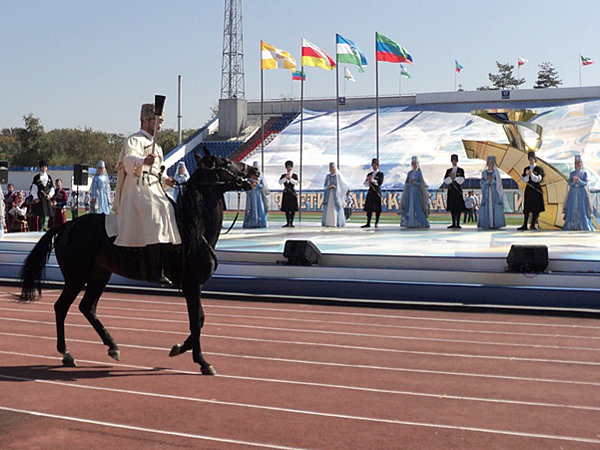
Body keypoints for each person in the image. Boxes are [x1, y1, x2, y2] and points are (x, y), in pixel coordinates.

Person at [107, 102, 181, 286]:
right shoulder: (134, 140)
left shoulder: (158, 147)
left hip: (155, 186)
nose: (160, 126)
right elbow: (129, 159)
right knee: (157, 211)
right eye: (157, 122)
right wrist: (143, 160)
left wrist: (166, 180)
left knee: (171, 207)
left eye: (161, 122)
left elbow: (159, 172)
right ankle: (155, 270)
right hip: (138, 186)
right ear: (145, 121)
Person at [563, 155, 595, 231]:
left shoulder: (584, 173)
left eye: (579, 162)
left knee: (581, 208)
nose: (578, 164)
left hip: (581, 192)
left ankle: (582, 224)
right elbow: (569, 183)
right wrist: (574, 182)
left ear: (581, 163)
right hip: (573, 192)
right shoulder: (572, 173)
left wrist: (579, 181)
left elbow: (585, 183)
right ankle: (572, 225)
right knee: (573, 208)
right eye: (576, 163)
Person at [399, 156, 430, 228]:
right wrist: (410, 183)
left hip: (416, 193)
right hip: (410, 192)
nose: (414, 165)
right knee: (408, 206)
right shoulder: (409, 173)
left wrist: (415, 183)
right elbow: (407, 183)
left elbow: (421, 184)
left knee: (417, 207)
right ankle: (408, 222)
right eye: (413, 164)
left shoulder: (419, 173)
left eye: (415, 163)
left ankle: (419, 222)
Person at [518, 151, 545, 230]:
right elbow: (523, 179)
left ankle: (533, 224)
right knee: (527, 207)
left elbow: (538, 179)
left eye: (532, 158)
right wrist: (527, 175)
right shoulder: (526, 169)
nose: (531, 160)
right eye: (530, 158)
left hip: (536, 189)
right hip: (529, 189)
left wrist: (531, 175)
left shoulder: (539, 169)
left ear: (535, 159)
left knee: (536, 208)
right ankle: (525, 224)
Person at [478, 156, 505, 229]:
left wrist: (492, 181)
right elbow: (482, 182)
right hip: (487, 193)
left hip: (494, 193)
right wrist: (487, 181)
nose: (490, 164)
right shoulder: (484, 173)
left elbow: (498, 183)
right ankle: (487, 223)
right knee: (487, 206)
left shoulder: (496, 173)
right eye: (488, 163)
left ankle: (494, 224)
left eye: (491, 163)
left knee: (494, 207)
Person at [322, 162, 349, 227]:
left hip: (336, 195)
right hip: (329, 195)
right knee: (329, 209)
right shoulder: (328, 176)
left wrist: (335, 187)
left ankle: (338, 222)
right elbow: (325, 185)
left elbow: (343, 185)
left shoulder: (338, 176)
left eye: (333, 167)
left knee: (336, 208)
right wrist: (328, 186)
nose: (332, 169)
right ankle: (328, 222)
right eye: (331, 168)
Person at [243, 161, 270, 229]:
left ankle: (260, 222)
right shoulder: (249, 176)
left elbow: (263, 186)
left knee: (260, 207)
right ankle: (251, 222)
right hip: (251, 194)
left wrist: (258, 184)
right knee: (250, 207)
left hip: (258, 195)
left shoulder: (260, 176)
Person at [30, 160, 54, 230]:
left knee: (48, 213)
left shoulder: (49, 177)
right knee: (41, 214)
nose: (44, 168)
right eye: (42, 167)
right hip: (40, 198)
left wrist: (50, 195)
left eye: (45, 167)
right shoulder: (36, 177)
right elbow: (34, 188)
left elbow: (52, 188)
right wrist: (35, 197)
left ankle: (47, 227)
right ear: (40, 168)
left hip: (47, 198)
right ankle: (41, 227)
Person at [443, 154, 466, 229]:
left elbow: (462, 180)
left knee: (458, 208)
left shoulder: (460, 170)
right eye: (453, 161)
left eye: (455, 160)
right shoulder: (448, 171)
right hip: (451, 191)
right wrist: (450, 178)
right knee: (452, 208)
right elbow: (446, 181)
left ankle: (458, 223)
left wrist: (454, 178)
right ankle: (453, 223)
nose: (454, 162)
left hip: (457, 191)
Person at [362, 158, 384, 228]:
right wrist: (368, 181)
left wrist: (372, 180)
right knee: (369, 208)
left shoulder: (380, 174)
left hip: (377, 193)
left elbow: (378, 183)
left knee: (377, 208)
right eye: (373, 165)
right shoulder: (370, 174)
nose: (374, 167)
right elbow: (365, 184)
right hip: (370, 192)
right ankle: (368, 223)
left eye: (375, 165)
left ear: (377, 166)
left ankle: (376, 222)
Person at [279, 160, 299, 227]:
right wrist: (285, 178)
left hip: (292, 192)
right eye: (287, 167)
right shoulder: (283, 175)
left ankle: (291, 222)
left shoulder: (294, 175)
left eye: (290, 167)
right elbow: (280, 182)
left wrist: (290, 179)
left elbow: (296, 182)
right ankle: (288, 222)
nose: (289, 168)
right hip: (286, 192)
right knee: (286, 208)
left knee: (293, 208)